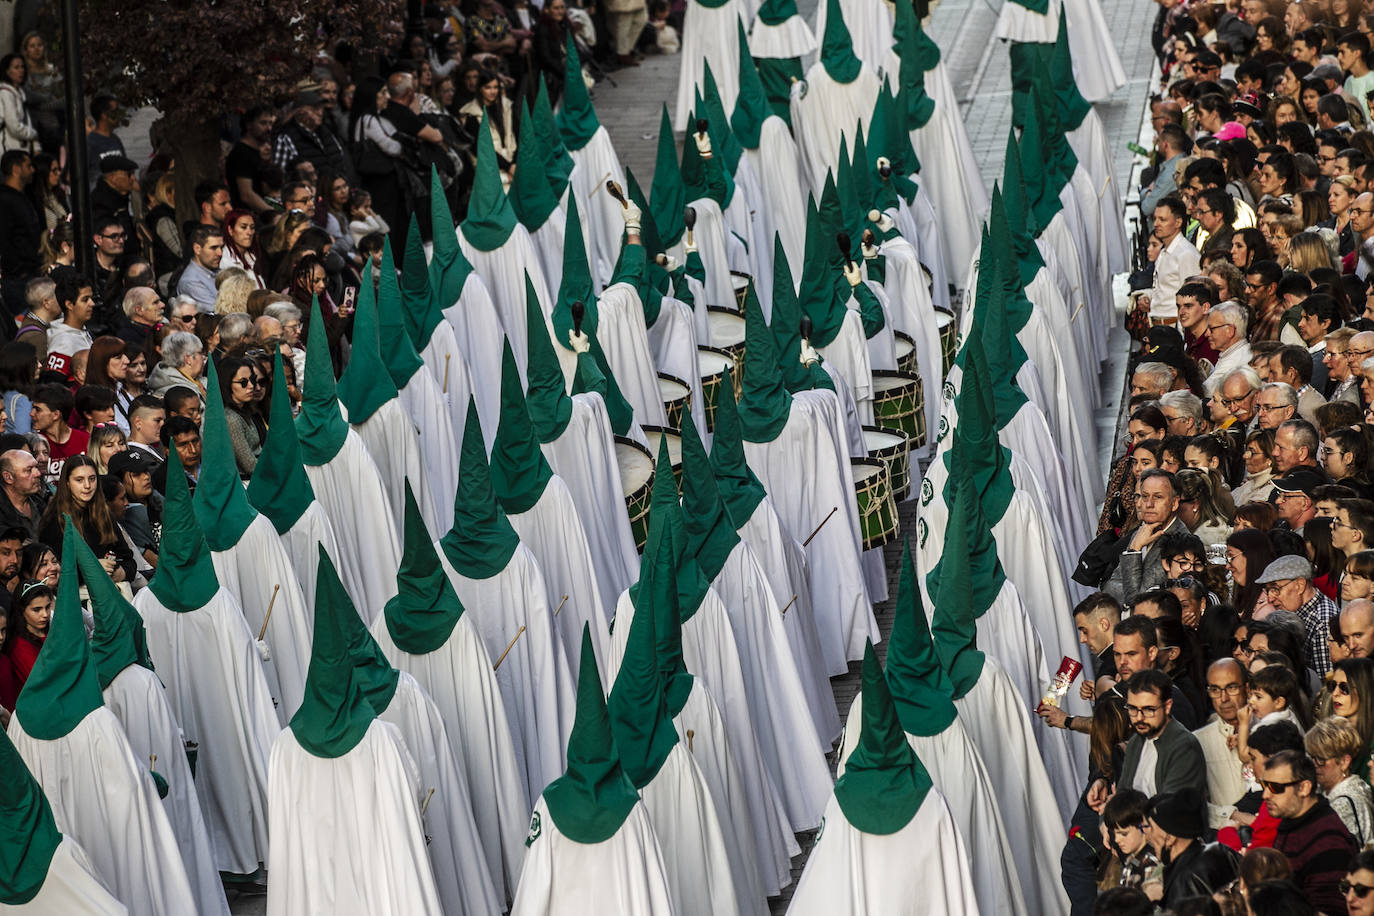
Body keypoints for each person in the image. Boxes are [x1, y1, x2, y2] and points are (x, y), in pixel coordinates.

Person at [1263, 748, 1358, 913]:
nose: (1265, 795)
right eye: (1264, 785)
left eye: (1275, 787)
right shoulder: (1293, 823)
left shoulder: (1328, 840)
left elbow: (1329, 909)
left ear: (1304, 788)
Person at [35, 454, 133, 582]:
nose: (87, 485)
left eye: (92, 479)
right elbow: (57, 571)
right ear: (67, 483)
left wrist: (122, 573)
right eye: (79, 480)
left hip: (113, 587)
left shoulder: (103, 512)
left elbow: (128, 559)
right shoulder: (55, 520)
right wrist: (93, 569)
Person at [1105, 470, 1191, 603]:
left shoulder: (1181, 541)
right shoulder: (1143, 530)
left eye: (1158, 497)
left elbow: (1138, 600)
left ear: (1174, 503)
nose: (1149, 504)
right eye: (1144, 496)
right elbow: (1109, 587)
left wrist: (1134, 549)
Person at [1144, 787, 1238, 905]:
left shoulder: (1184, 881)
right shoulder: (1223, 851)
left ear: (1170, 838)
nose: (1149, 837)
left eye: (1152, 828)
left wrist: (1156, 900)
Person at [1254, 554, 1339, 674]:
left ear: (1300, 585)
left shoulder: (1322, 622)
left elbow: (1325, 681)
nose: (1270, 599)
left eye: (1275, 589)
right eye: (1267, 591)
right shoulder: (1296, 612)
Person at [1194, 658, 1250, 828]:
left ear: (1247, 689)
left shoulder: (1270, 731)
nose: (1223, 698)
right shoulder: (1198, 741)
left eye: (1231, 688)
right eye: (1215, 690)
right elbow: (1192, 803)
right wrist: (1231, 815)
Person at [1304, 716, 1374, 845]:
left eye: (1321, 759)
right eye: (1311, 757)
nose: (1314, 764)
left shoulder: (1344, 803)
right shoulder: (1327, 791)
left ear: (1344, 762)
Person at [0, 579, 51, 709]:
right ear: (22, 610)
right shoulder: (19, 646)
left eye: (47, 607)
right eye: (36, 609)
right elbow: (42, 683)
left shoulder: (52, 633)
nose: (44, 614)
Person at [29, 383, 87, 484]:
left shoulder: (86, 440)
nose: (31, 413)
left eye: (37, 409)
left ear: (56, 414)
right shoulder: (32, 444)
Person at [218, 355, 264, 476]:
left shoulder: (245, 410)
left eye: (252, 380)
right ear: (227, 384)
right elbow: (250, 465)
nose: (251, 386)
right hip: (247, 483)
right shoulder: (231, 418)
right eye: (243, 382)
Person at [45, 270, 93, 380]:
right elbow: (55, 386)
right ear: (69, 305)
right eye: (85, 299)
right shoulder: (62, 343)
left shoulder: (85, 332)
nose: (92, 303)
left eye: (91, 298)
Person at [176, 226, 223, 313]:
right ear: (197, 249)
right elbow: (219, 314)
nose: (220, 253)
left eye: (221, 247)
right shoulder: (191, 282)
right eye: (213, 248)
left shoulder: (217, 270)